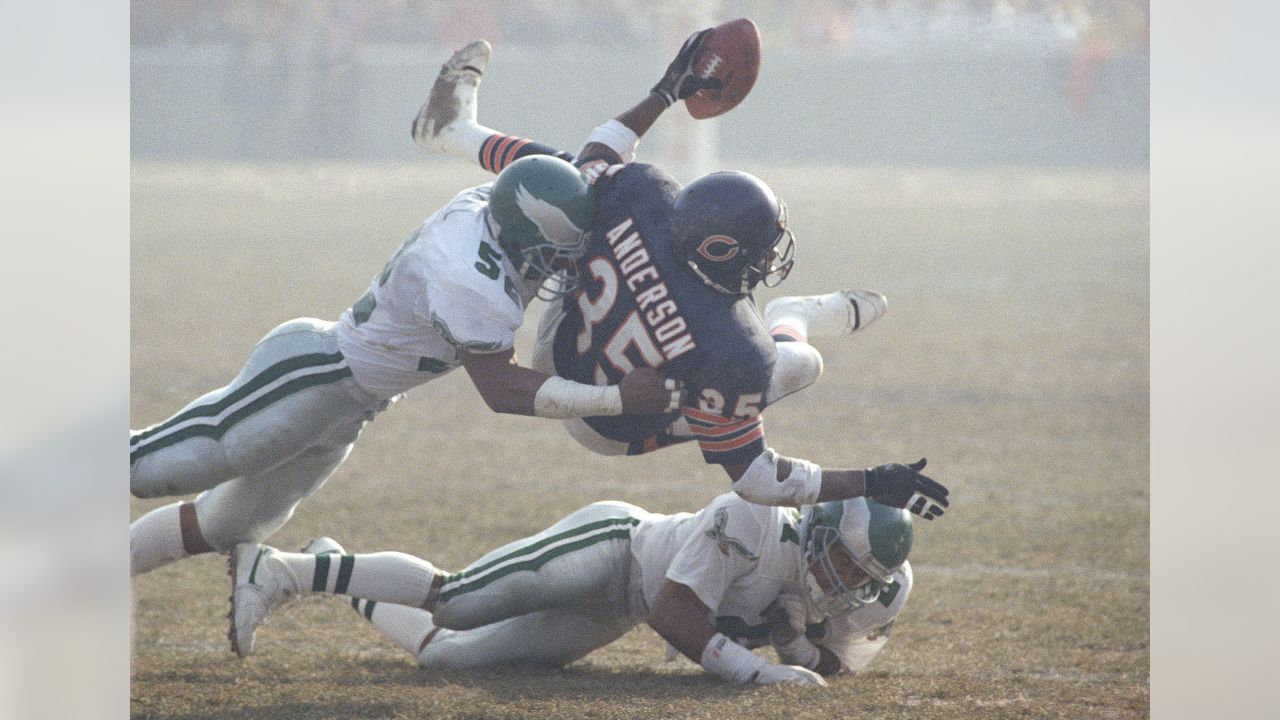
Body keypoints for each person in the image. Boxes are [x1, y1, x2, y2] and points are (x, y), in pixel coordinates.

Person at [409, 36, 951, 516]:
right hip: (607, 424)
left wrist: (666, 92)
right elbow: (761, 482)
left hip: (559, 343)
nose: (769, 260)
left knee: (574, 178)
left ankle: (458, 135)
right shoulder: (739, 348)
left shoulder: (646, 195)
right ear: (724, 250)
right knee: (802, 364)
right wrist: (871, 482)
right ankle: (794, 317)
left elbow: (601, 151)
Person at [128, 148, 682, 578]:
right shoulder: (472, 279)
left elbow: (592, 152)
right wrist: (615, 400)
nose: (561, 267)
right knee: (154, 468)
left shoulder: (501, 203)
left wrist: (663, 95)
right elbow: (499, 389)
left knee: (229, 523)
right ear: (522, 238)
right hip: (312, 375)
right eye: (553, 255)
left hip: (352, 407)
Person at [228, 492, 916, 687]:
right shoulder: (757, 521)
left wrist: (801, 647)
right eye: (848, 565)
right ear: (821, 532)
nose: (848, 584)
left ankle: (335, 566)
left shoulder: (818, 588)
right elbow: (675, 611)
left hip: (619, 607)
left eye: (862, 580)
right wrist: (757, 670)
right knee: (458, 597)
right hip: (612, 551)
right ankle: (283, 571)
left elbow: (834, 666)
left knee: (447, 657)